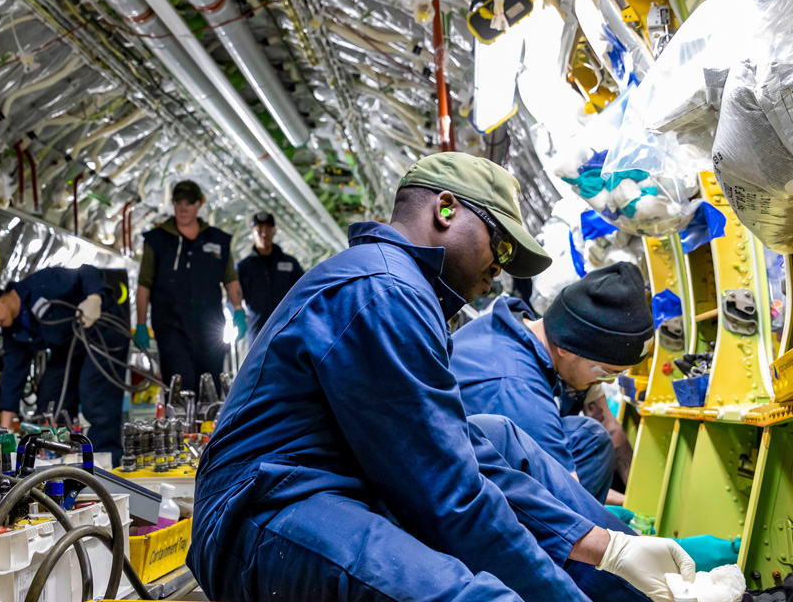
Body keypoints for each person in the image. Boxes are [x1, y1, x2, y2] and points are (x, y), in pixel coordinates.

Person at [188, 152, 695, 602]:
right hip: (260, 517)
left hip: (325, 491)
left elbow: (461, 456)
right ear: (445, 210)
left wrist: (609, 549)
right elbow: (450, 496)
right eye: (498, 245)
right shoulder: (382, 290)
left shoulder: (398, 286)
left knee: (492, 435)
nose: (498, 269)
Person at [451, 263, 651, 504]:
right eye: (605, 371)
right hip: (457, 497)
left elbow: (610, 429)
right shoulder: (517, 389)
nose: (604, 380)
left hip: (479, 464)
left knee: (587, 438)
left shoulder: (524, 331)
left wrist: (628, 502)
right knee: (590, 440)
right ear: (566, 348)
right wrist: (626, 539)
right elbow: (566, 502)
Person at [0, 264, 129, 462]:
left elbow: (88, 271)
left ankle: (104, 461)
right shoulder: (14, 331)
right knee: (50, 396)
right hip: (69, 344)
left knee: (94, 393)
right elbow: (12, 376)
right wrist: (4, 435)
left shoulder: (42, 283)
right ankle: (58, 458)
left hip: (102, 328)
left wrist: (95, 297)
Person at [135, 180, 244, 394]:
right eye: (178, 202)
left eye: (189, 202)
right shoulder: (157, 241)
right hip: (171, 327)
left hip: (209, 327)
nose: (183, 208)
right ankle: (179, 426)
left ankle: (209, 427)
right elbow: (144, 285)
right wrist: (140, 324)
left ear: (199, 204)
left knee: (210, 387)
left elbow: (230, 280)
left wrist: (238, 310)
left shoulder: (218, 241)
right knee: (180, 386)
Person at [237, 211, 304, 344]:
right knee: (258, 364)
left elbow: (303, 292)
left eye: (268, 229)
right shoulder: (244, 267)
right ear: (252, 232)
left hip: (286, 328)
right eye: (259, 230)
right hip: (257, 330)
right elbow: (235, 295)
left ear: (274, 231)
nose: (263, 234)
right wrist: (237, 314)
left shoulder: (290, 263)